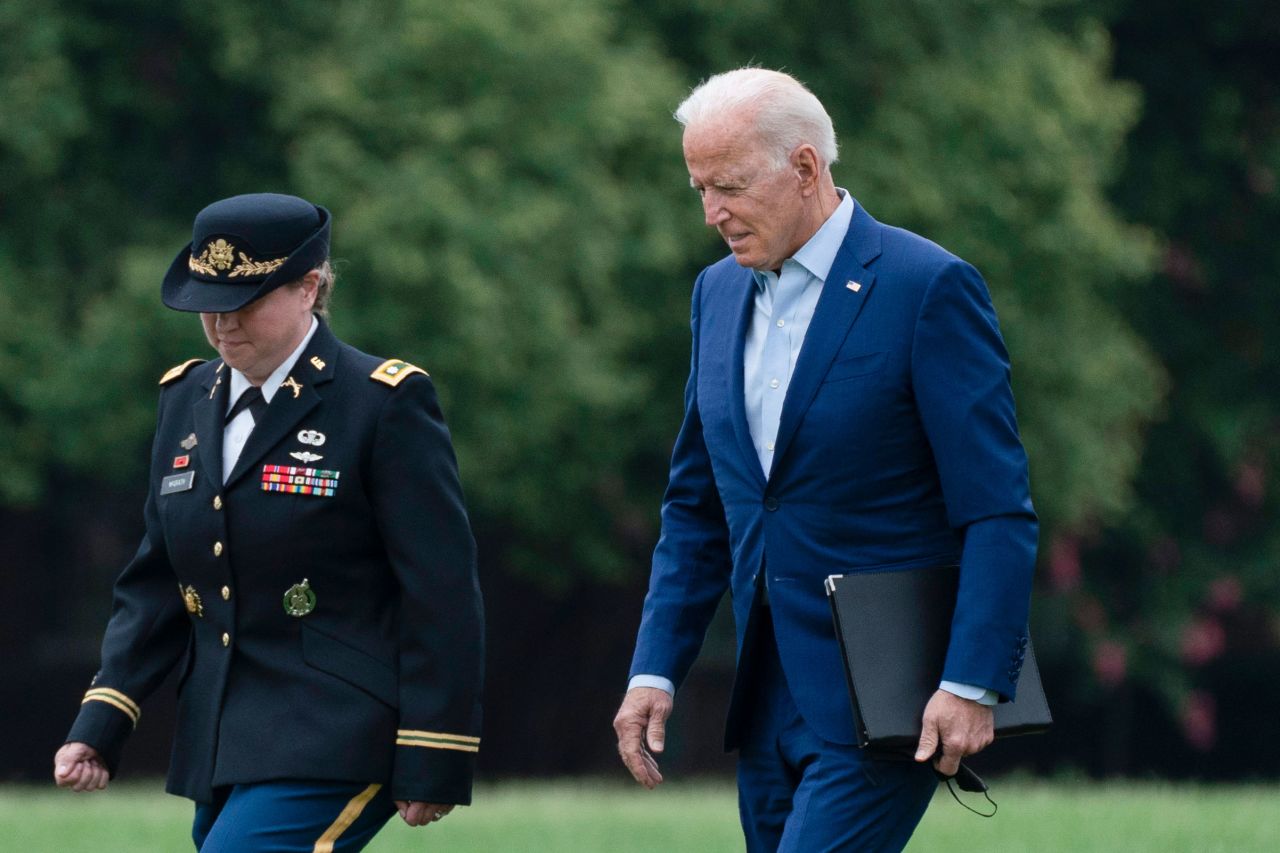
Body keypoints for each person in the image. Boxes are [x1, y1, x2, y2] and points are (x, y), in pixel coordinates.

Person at [613, 69, 1037, 851]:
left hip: (888, 698)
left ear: (805, 168)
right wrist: (654, 669)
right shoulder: (715, 294)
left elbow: (998, 508)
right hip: (764, 698)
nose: (712, 214)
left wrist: (972, 680)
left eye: (730, 186)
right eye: (699, 188)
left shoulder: (928, 288)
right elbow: (698, 508)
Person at [52, 193, 483, 852]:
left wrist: (435, 746)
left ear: (310, 287)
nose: (221, 323)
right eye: (208, 303)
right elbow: (159, 580)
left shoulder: (381, 403)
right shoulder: (183, 400)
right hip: (220, 741)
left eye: (244, 302)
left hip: (338, 731)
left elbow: (442, 590)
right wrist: (103, 716)